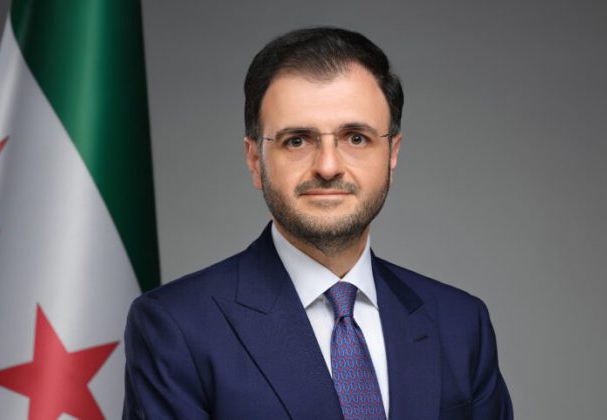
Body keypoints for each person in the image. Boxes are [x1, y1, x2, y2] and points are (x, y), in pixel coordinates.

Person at [123, 27, 513, 420]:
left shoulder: (461, 323)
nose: (328, 166)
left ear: (391, 154)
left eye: (356, 138)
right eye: (297, 140)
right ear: (255, 160)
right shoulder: (176, 326)